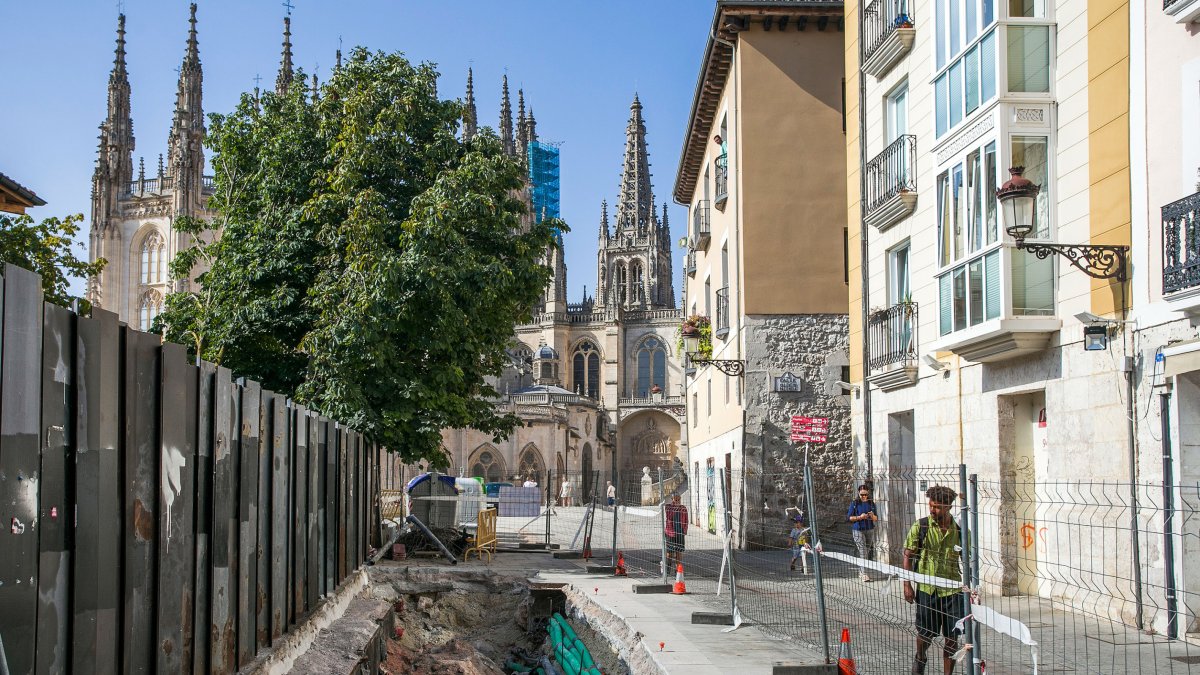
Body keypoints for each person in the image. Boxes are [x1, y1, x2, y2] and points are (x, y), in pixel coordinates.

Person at [903, 485, 964, 675]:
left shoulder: (959, 530)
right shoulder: (921, 526)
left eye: (937, 507)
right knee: (925, 634)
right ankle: (920, 657)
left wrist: (971, 590)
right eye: (931, 505)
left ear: (948, 507)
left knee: (952, 638)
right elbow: (907, 555)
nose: (932, 509)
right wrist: (907, 585)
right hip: (927, 590)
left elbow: (967, 560)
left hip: (953, 591)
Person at [847, 484, 879, 582]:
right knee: (863, 551)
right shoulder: (855, 503)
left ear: (868, 493)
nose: (864, 496)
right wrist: (860, 517)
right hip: (858, 529)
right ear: (858, 493)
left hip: (869, 529)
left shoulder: (871, 503)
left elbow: (876, 518)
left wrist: (872, 516)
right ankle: (864, 574)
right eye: (862, 495)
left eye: (865, 494)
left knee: (866, 551)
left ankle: (861, 572)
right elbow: (849, 518)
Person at [664, 493, 689, 567]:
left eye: (679, 499)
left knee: (679, 551)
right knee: (670, 552)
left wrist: (684, 530)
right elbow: (669, 516)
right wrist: (675, 507)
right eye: (676, 499)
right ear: (672, 500)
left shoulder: (683, 508)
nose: (678, 501)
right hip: (670, 533)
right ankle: (668, 568)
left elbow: (686, 520)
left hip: (680, 532)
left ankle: (678, 569)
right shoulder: (668, 507)